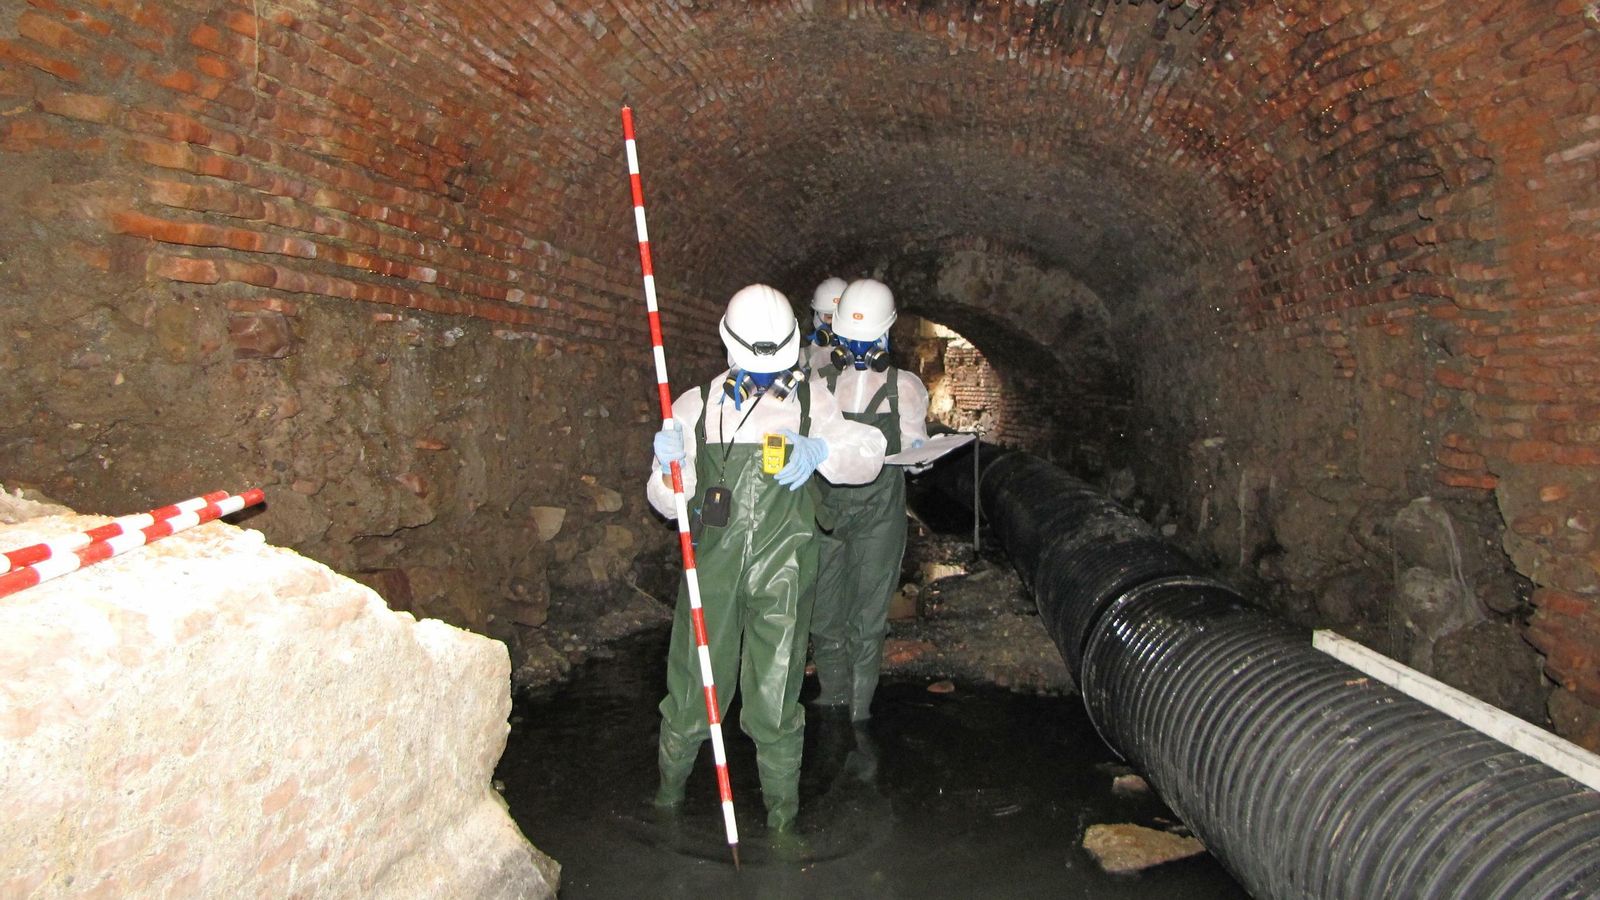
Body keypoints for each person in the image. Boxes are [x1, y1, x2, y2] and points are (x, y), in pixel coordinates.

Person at [647, 284, 887, 832]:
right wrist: (667, 471)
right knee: (690, 692)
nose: (761, 381)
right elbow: (668, 503)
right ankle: (667, 800)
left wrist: (824, 449)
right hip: (710, 569)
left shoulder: (810, 400)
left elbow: (868, 453)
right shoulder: (694, 405)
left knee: (775, 700)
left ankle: (782, 821)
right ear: (728, 348)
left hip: (785, 569)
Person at [808, 278, 930, 722]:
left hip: (879, 513)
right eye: (850, 341)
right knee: (823, 611)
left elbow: (915, 441)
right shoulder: (816, 382)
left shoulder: (906, 388)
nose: (859, 350)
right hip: (824, 512)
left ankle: (859, 711)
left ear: (885, 336)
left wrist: (919, 457)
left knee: (867, 616)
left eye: (867, 340)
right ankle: (832, 694)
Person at [800, 276, 847, 374]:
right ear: (816, 315)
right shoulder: (805, 355)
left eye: (840, 318)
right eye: (830, 316)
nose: (835, 325)